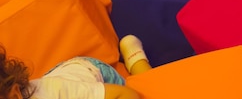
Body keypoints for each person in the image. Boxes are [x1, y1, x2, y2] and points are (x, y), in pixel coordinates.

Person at [0, 35, 151, 99]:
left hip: (93, 71)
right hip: (61, 73)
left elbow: (124, 95)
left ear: (14, 96)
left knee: (148, 90)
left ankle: (135, 56)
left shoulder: (57, 93)